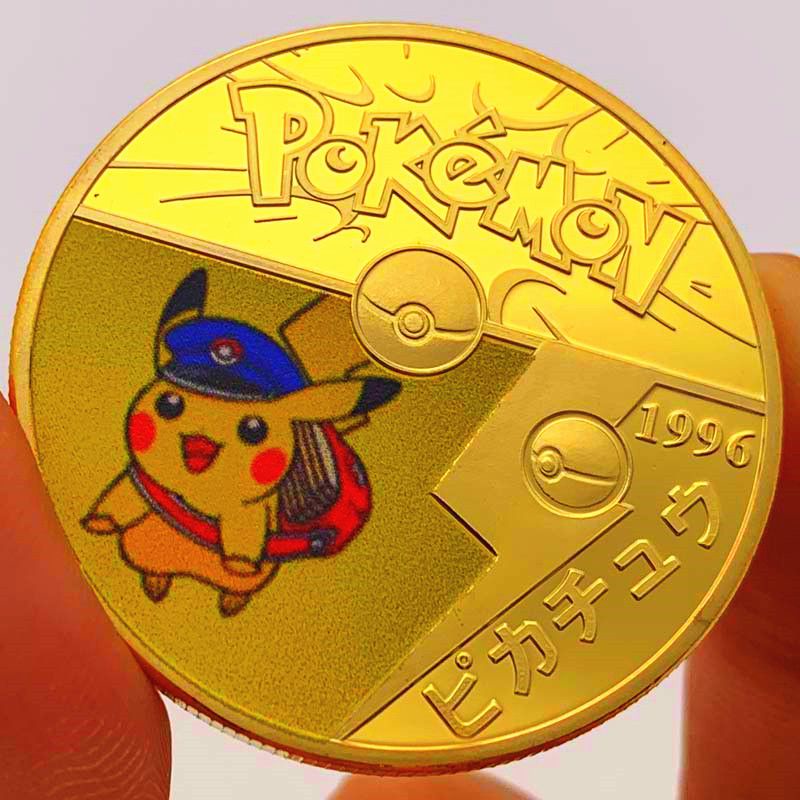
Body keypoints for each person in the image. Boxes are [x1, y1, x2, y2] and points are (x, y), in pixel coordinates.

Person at [2, 254, 797, 800]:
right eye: (173, 404)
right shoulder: (187, 482)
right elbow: (133, 498)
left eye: (247, 429)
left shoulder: (262, 504)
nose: (198, 439)